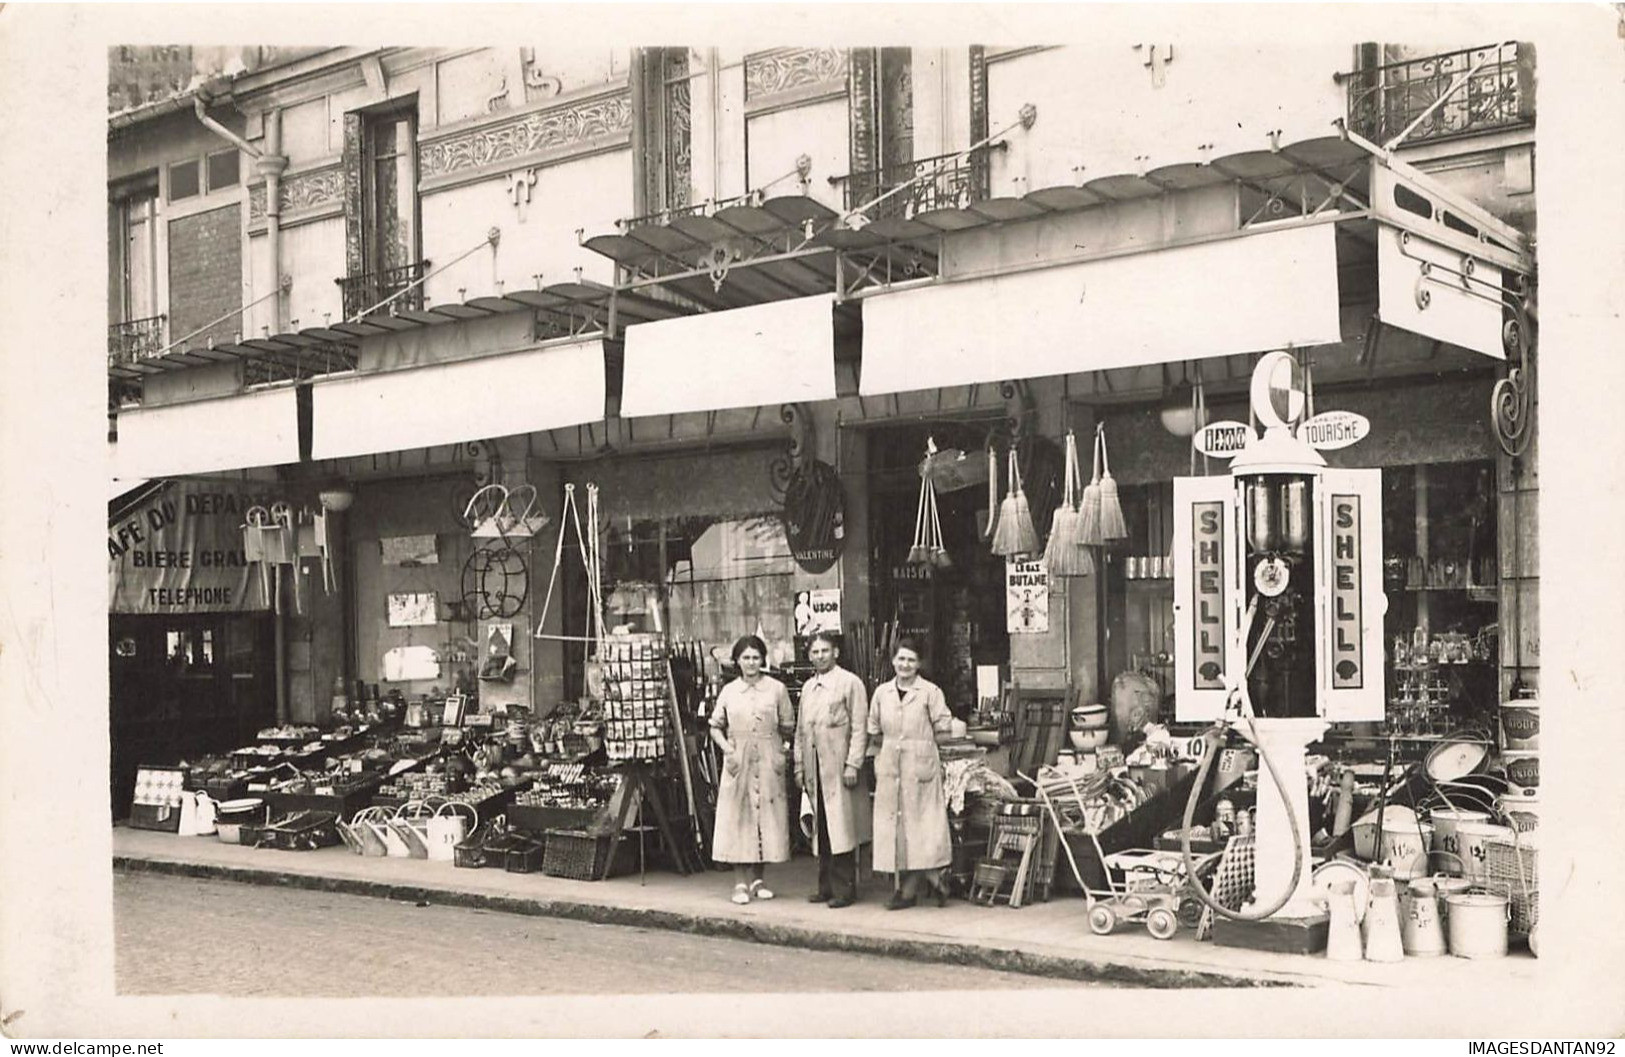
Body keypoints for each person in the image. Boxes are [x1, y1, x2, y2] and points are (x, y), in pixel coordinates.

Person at [867, 637, 956, 910]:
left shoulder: (930, 692)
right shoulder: (882, 693)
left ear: (919, 664)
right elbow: (874, 730)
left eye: (911, 660)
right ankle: (932, 878)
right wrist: (884, 756)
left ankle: (909, 890)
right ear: (893, 661)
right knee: (895, 830)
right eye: (901, 659)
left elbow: (944, 728)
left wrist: (923, 749)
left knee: (921, 829)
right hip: (891, 766)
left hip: (921, 767)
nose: (905, 665)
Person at [708, 634, 795, 905]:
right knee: (739, 817)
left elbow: (789, 725)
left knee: (766, 817)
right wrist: (728, 750)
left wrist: (783, 751)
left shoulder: (776, 689)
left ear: (763, 660)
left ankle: (759, 879)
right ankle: (740, 883)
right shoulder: (730, 691)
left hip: (768, 755)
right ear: (737, 661)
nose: (751, 663)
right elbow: (714, 726)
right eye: (746, 657)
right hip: (738, 758)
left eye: (756, 657)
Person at [793, 631, 870, 908]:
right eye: (815, 652)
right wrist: (799, 766)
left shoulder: (851, 683)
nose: (820, 656)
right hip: (816, 768)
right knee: (822, 828)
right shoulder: (808, 688)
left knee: (843, 829)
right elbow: (801, 731)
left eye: (825, 651)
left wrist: (853, 763)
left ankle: (844, 889)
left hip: (841, 768)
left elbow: (861, 728)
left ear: (836, 652)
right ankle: (824, 886)